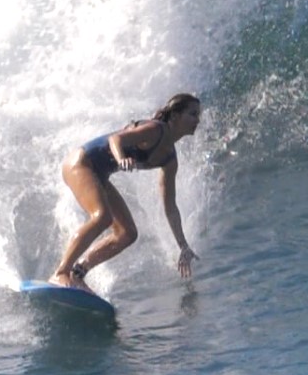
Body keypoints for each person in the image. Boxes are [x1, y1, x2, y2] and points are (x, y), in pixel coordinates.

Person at [48, 93, 201, 292]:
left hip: (99, 174)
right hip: (81, 163)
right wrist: (121, 159)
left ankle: (78, 273)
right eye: (192, 114)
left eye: (198, 115)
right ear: (175, 117)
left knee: (127, 233)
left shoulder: (169, 159)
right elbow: (116, 138)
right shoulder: (155, 130)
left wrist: (183, 245)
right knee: (102, 217)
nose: (197, 120)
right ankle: (61, 272)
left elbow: (170, 206)